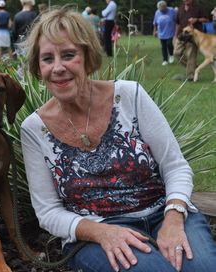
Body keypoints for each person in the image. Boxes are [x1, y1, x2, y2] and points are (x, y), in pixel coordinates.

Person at [21, 7, 216, 272]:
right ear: (37, 66)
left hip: (163, 210)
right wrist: (102, 233)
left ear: (87, 57)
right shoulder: (34, 129)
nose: (58, 68)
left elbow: (175, 166)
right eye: (47, 59)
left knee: (202, 268)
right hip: (97, 231)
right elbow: (48, 212)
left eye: (68, 55)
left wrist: (173, 217)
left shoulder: (129, 96)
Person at [173, 0, 208, 81]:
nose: (186, 1)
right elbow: (178, 23)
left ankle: (190, 76)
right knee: (176, 53)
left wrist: (197, 19)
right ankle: (194, 66)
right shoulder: (180, 8)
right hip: (182, 35)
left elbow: (206, 19)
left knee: (191, 55)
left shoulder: (198, 7)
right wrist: (175, 35)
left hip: (194, 36)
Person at [153, 1, 176, 66]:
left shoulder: (171, 10)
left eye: (163, 9)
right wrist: (155, 31)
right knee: (163, 46)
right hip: (161, 32)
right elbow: (155, 23)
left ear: (166, 7)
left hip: (170, 31)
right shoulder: (157, 12)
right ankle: (165, 60)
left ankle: (171, 55)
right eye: (161, 10)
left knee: (169, 43)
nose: (162, 11)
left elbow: (176, 20)